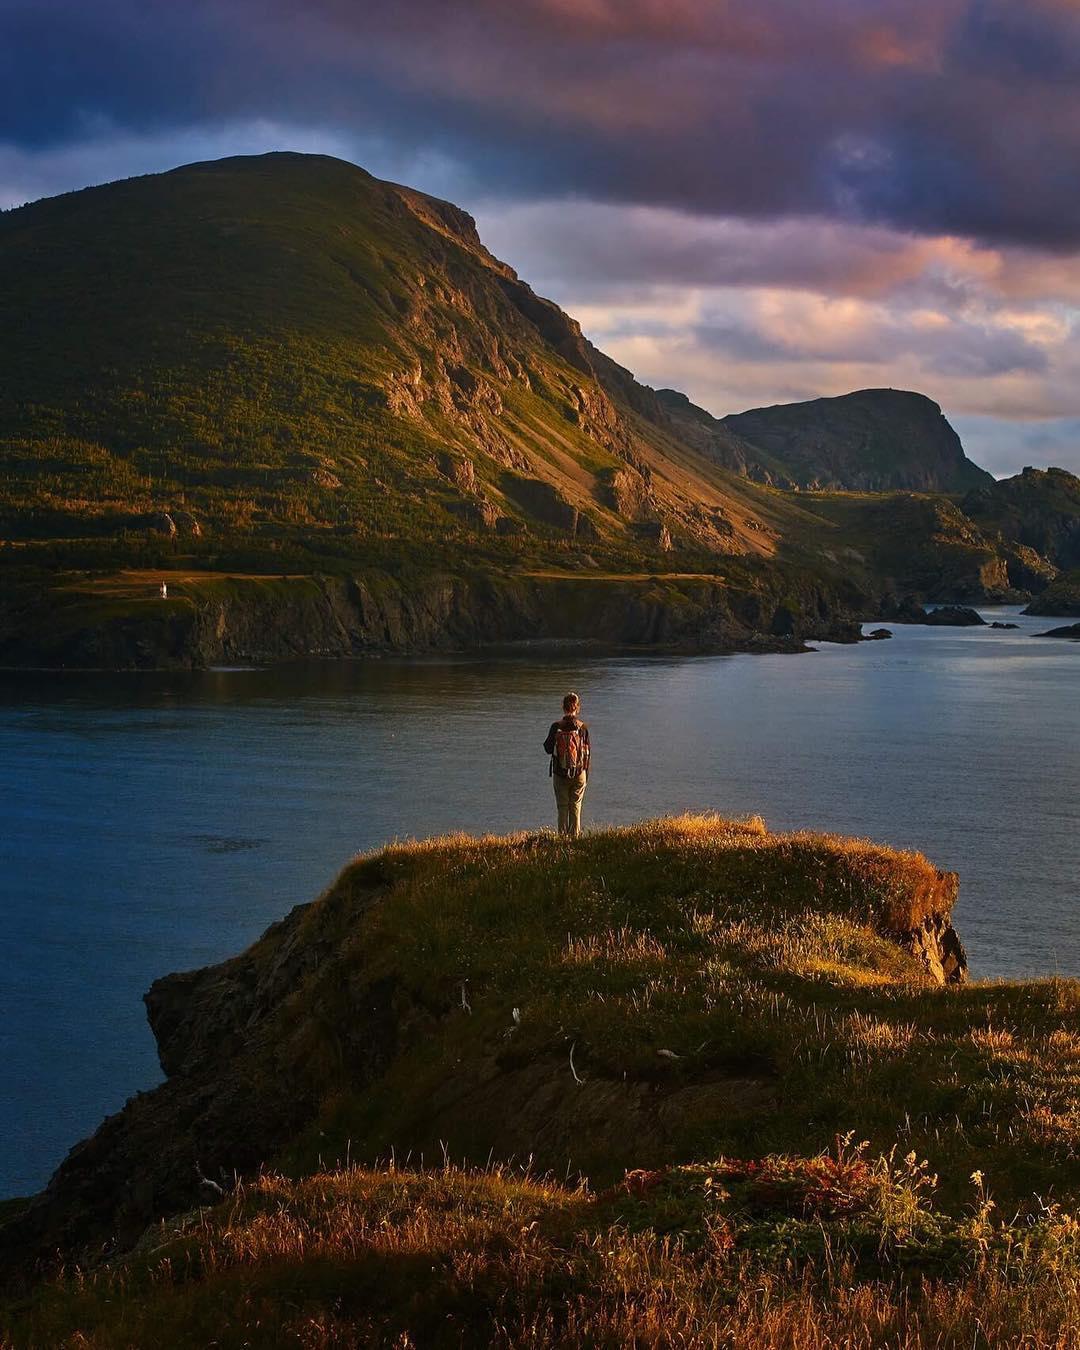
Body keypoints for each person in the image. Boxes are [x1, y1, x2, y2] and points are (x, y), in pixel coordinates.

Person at [544, 691, 590, 838]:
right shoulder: (582, 728)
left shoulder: (556, 726)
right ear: (578, 708)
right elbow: (587, 753)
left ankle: (562, 840)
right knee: (575, 806)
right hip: (579, 773)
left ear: (563, 707)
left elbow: (547, 748)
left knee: (562, 807)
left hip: (560, 772)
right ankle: (575, 839)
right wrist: (585, 775)